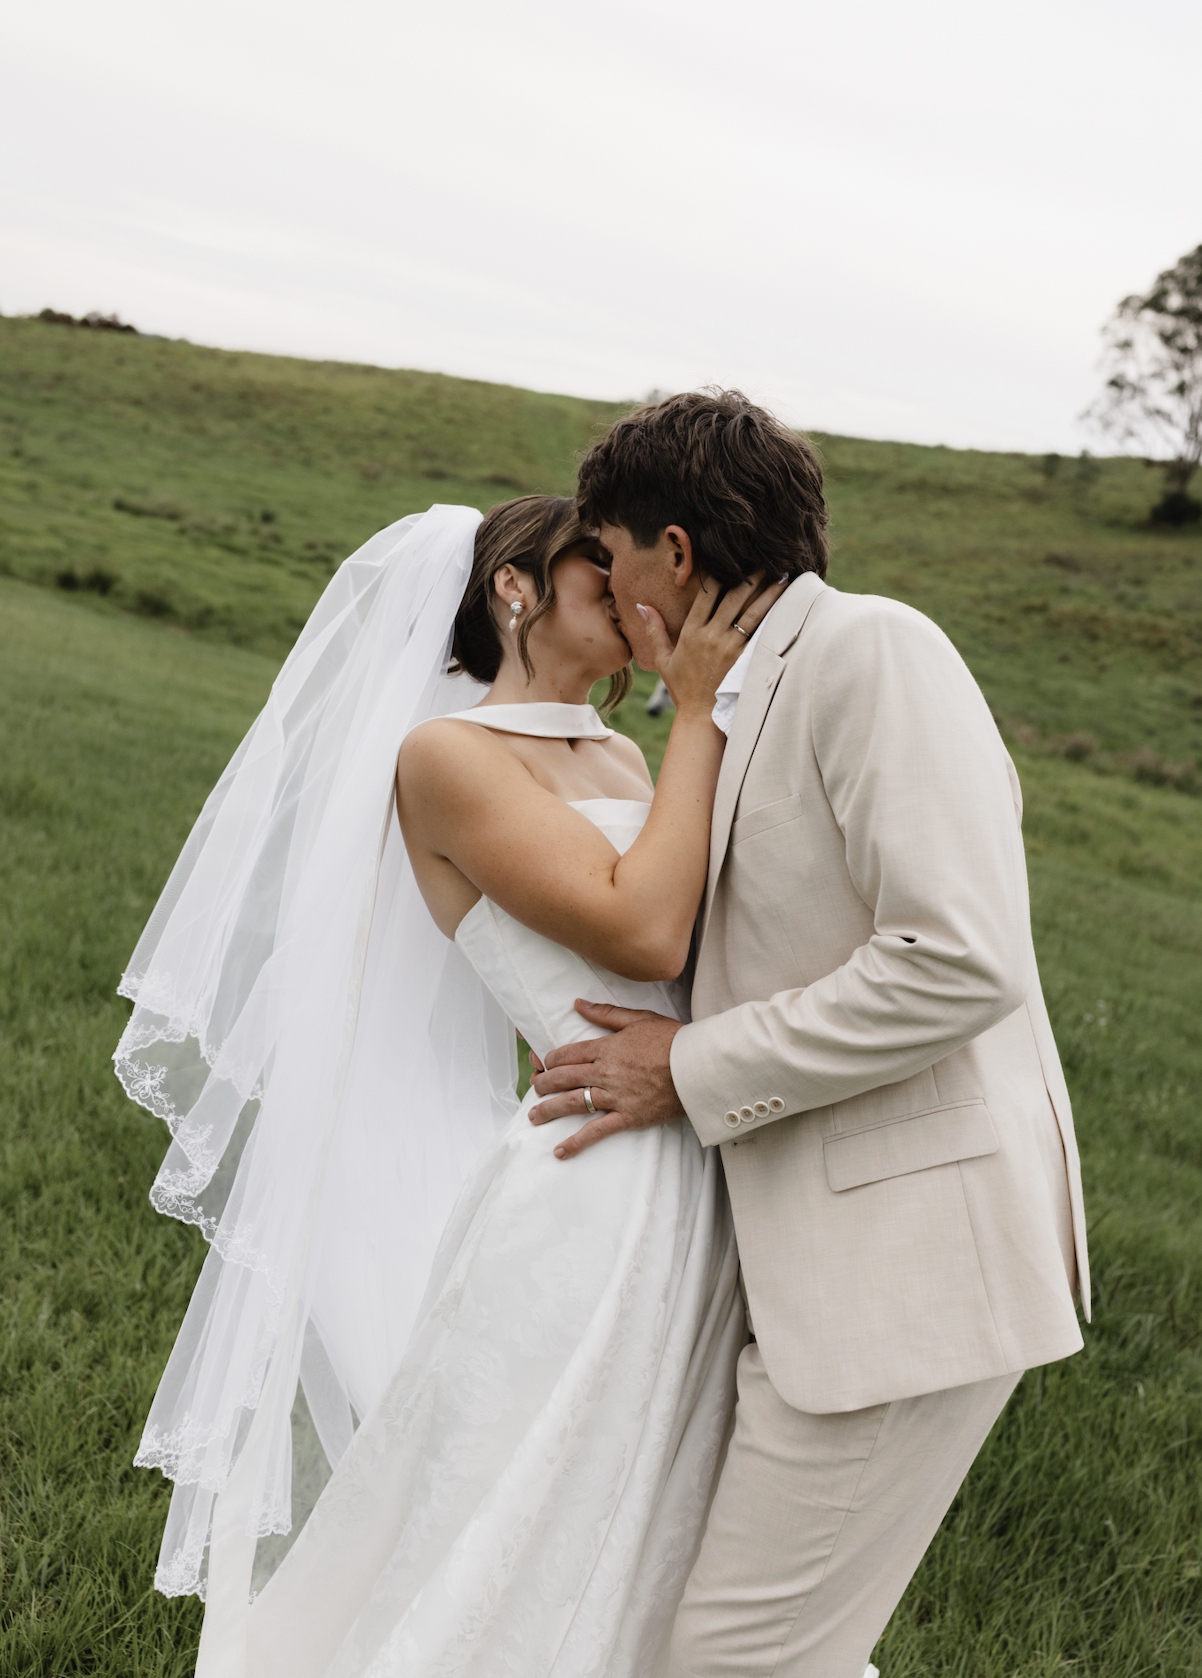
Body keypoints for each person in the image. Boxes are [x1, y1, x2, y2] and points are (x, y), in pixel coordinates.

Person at [114, 494, 784, 1678]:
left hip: (701, 1150)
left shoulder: (620, 754)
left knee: (652, 1529)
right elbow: (641, 930)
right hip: (595, 1177)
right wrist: (697, 712)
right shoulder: (443, 757)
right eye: (594, 562)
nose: (628, 588)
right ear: (513, 589)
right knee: (524, 1517)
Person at [529, 390, 1091, 1678]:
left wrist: (685, 1064)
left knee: (735, 1659)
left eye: (609, 558)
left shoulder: (872, 652)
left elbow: (960, 956)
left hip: (908, 1269)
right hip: (808, 1270)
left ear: (673, 551)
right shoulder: (724, 699)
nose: (606, 594)